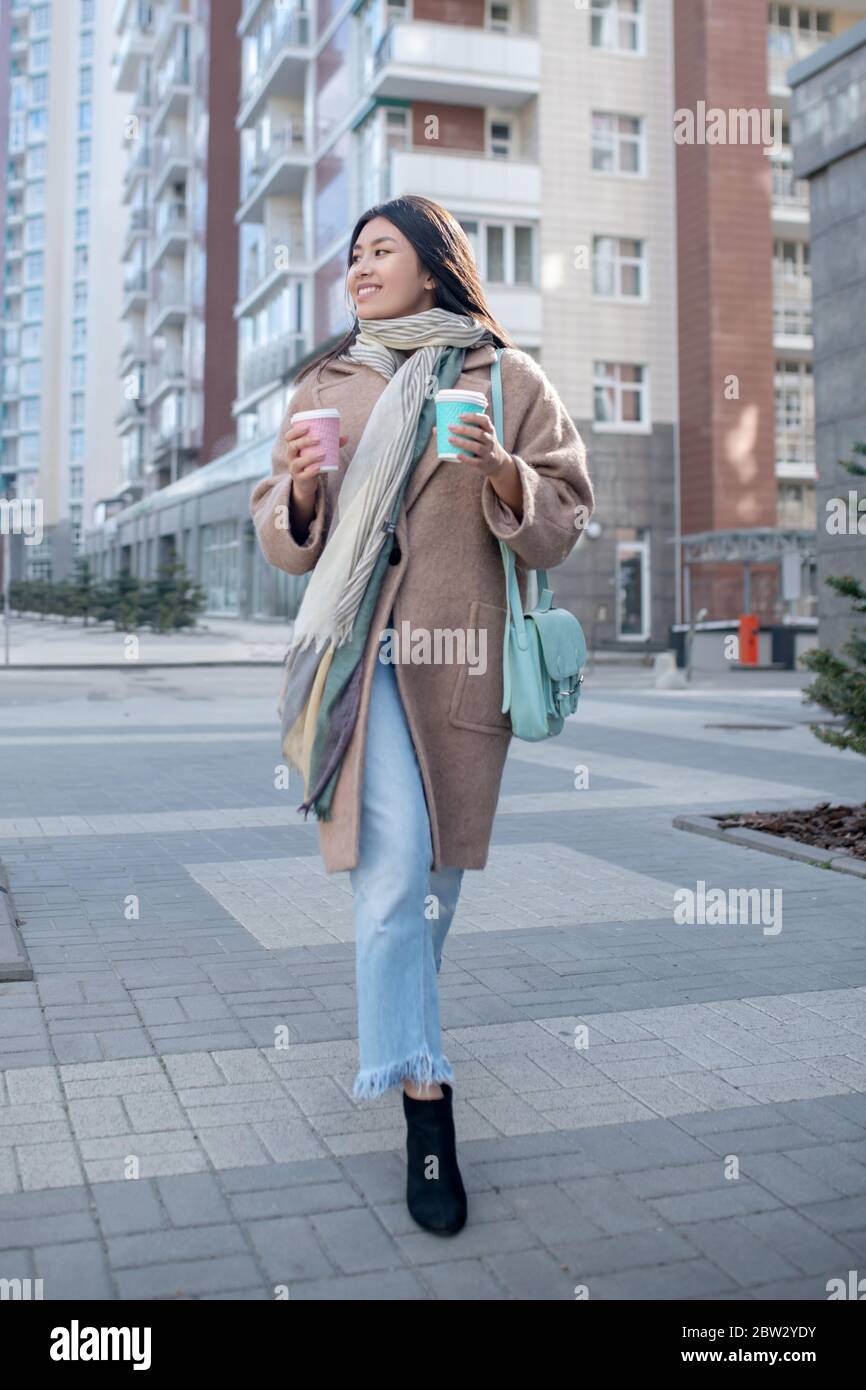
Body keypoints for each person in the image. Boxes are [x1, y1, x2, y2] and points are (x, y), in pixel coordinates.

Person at [250, 194, 594, 1236]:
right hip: (354, 662)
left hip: (456, 666)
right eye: (350, 255)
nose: (356, 268)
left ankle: (406, 1019)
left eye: (379, 251)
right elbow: (280, 532)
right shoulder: (326, 382)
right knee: (392, 873)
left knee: (427, 892)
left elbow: (566, 514)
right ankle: (426, 1108)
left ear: (434, 268)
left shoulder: (507, 377)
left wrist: (500, 471)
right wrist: (302, 493)